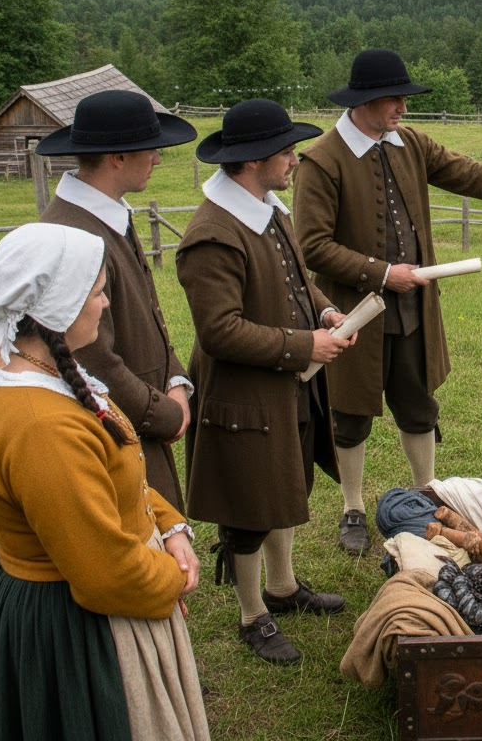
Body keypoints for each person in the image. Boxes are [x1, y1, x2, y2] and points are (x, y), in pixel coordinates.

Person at [294, 48, 482, 554]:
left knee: (418, 404)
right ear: (366, 101)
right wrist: (384, 273)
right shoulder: (322, 161)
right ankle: (352, 508)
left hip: (412, 311)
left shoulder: (408, 143)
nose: (403, 110)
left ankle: (427, 495)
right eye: (395, 100)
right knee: (351, 412)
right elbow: (312, 246)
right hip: (353, 312)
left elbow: (466, 172)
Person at [0, 222, 209, 740]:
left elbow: (117, 464)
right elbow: (106, 573)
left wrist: (171, 528)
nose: (106, 306)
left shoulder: (30, 365)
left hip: (84, 590)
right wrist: (173, 579)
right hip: (75, 629)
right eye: (99, 293)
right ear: (57, 306)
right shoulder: (42, 427)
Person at [176, 99, 352, 666]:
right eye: (286, 151)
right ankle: (253, 615)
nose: (295, 160)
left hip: (285, 382)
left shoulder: (268, 207)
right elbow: (220, 331)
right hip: (242, 394)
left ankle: (283, 587)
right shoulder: (212, 235)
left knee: (286, 483)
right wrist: (306, 346)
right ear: (253, 161)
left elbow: (298, 281)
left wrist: (323, 312)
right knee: (250, 507)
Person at [37, 89, 198, 512]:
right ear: (118, 157)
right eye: (152, 150)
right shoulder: (74, 235)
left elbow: (149, 312)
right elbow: (89, 355)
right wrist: (164, 414)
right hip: (112, 432)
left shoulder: (107, 214)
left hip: (138, 415)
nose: (159, 160)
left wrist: (175, 381)